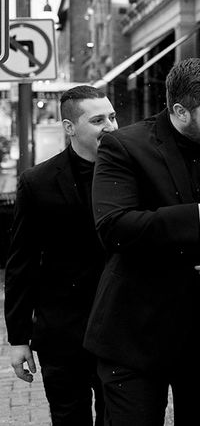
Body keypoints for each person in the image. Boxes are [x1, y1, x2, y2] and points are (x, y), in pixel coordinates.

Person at [84, 58, 200, 425]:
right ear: (180, 111)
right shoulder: (123, 146)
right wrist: (198, 215)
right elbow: (113, 226)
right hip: (135, 333)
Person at [4, 85, 117, 425]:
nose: (110, 126)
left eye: (112, 116)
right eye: (97, 120)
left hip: (119, 330)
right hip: (62, 335)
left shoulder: (134, 172)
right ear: (70, 128)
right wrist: (17, 338)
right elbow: (21, 264)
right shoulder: (36, 182)